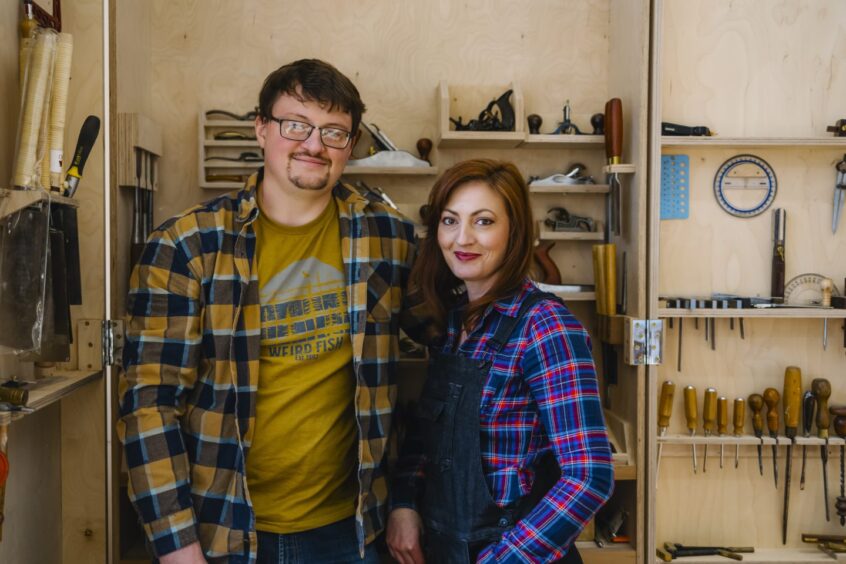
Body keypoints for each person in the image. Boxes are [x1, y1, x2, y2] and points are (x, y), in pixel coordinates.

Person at [117, 59, 419, 563]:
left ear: (352, 144)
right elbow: (150, 404)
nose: (314, 145)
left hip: (353, 529)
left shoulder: (389, 238)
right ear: (261, 127)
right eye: (296, 124)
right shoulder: (188, 245)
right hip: (223, 531)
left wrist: (408, 498)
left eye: (334, 132)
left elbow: (449, 360)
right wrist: (176, 545)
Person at [386, 159, 614, 564]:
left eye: (484, 221)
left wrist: (503, 560)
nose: (463, 238)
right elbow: (427, 437)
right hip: (444, 549)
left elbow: (588, 477)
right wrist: (403, 504)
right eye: (450, 220)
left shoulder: (546, 327)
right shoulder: (454, 324)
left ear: (515, 231)